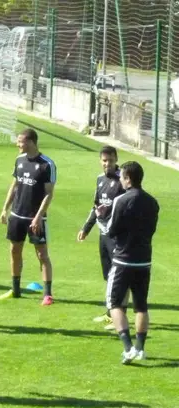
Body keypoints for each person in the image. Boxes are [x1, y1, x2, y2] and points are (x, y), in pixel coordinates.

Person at [100, 161, 159, 364]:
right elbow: (151, 230)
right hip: (144, 261)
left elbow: (111, 230)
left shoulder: (121, 200)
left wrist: (100, 217)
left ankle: (128, 348)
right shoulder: (153, 202)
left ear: (128, 179)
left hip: (122, 260)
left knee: (115, 304)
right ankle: (140, 348)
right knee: (141, 306)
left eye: (122, 177)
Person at [0, 128, 57, 305]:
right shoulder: (19, 160)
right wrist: (5, 209)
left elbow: (49, 194)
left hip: (35, 218)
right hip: (17, 215)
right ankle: (15, 290)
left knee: (42, 254)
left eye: (21, 141)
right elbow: (15, 185)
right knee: (14, 250)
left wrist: (38, 217)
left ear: (31, 142)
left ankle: (47, 294)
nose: (17, 144)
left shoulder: (47, 164)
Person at [77, 145, 126, 329]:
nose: (107, 164)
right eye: (104, 161)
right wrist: (86, 228)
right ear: (100, 161)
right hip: (103, 233)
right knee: (108, 275)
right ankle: (110, 312)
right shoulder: (99, 179)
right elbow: (96, 206)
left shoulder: (123, 180)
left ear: (116, 160)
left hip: (116, 235)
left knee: (118, 275)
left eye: (111, 161)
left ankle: (119, 315)